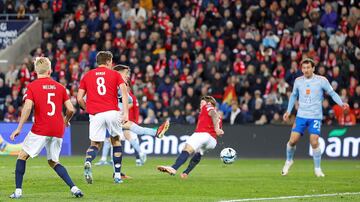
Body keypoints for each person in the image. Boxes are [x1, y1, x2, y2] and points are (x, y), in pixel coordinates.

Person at [9, 57, 83, 199]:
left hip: (41, 128)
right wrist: (66, 121)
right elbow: (71, 109)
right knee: (53, 161)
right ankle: (74, 188)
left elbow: (28, 107)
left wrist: (19, 128)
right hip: (57, 129)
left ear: (36, 71)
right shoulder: (60, 87)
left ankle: (18, 191)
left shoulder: (32, 86)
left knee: (22, 156)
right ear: (50, 71)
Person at [282, 58, 349, 177]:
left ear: (313, 68)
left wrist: (341, 103)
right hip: (301, 116)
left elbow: (332, 93)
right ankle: (289, 160)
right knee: (292, 141)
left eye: (308, 68)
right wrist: (288, 111)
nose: (306, 70)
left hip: (315, 117)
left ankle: (317, 169)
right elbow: (293, 96)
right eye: (304, 68)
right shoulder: (298, 81)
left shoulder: (321, 80)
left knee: (314, 141)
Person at [95, 64, 170, 166]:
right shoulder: (112, 84)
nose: (128, 76)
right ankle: (112, 164)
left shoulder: (123, 87)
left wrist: (122, 112)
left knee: (115, 138)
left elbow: (129, 102)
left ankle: (112, 165)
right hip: (111, 116)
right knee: (114, 139)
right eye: (126, 73)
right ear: (119, 73)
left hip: (116, 117)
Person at [77, 51, 129, 184]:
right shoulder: (115, 74)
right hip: (112, 112)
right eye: (111, 61)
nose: (112, 64)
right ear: (107, 62)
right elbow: (124, 92)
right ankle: (117, 175)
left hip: (96, 114)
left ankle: (88, 161)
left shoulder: (87, 75)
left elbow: (79, 98)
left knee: (95, 144)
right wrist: (125, 112)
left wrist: (87, 109)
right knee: (116, 141)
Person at [157, 96, 223, 178]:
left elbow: (213, 114)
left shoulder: (208, 107)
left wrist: (216, 129)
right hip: (212, 142)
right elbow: (218, 129)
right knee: (199, 152)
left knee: (186, 149)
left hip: (203, 135)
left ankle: (173, 168)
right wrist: (218, 130)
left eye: (202, 103)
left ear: (209, 103)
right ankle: (186, 173)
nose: (200, 105)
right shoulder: (219, 117)